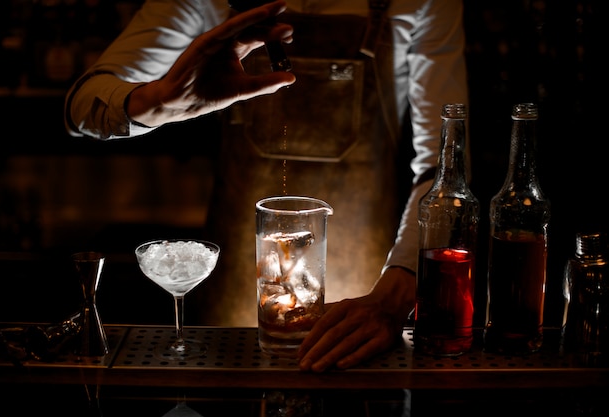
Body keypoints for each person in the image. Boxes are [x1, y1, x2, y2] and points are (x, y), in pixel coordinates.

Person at [64, 0, 468, 373]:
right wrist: (156, 103)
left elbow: (445, 168)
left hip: (365, 306)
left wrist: (393, 297)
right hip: (233, 302)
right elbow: (82, 105)